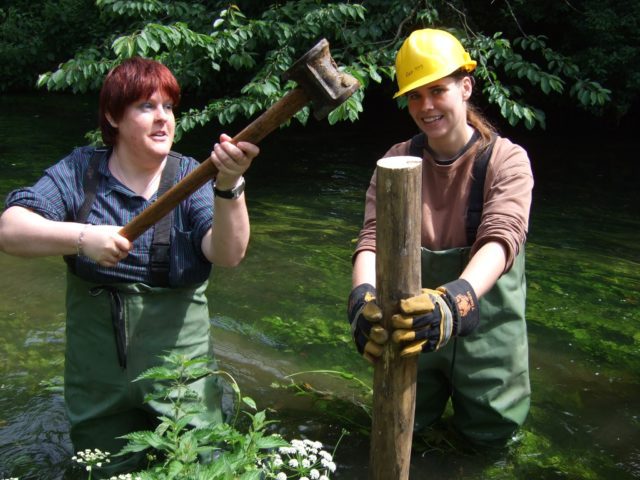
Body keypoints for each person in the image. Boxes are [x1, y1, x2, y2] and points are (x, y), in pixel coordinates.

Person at [0, 57, 259, 474]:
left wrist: (230, 186)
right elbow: (10, 229)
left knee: (200, 467)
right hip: (98, 378)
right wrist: (83, 239)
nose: (162, 119)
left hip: (181, 375)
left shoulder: (191, 177)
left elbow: (227, 253)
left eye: (168, 107)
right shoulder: (80, 173)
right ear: (112, 116)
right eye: (146, 106)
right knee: (103, 471)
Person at [347, 28, 533, 448]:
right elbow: (372, 238)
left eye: (437, 90)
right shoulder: (396, 160)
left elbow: (501, 239)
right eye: (414, 95)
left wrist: (455, 301)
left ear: (465, 86)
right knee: (404, 432)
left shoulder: (507, 160)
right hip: (414, 330)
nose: (425, 106)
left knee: (491, 445)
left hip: (489, 333)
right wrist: (360, 299)